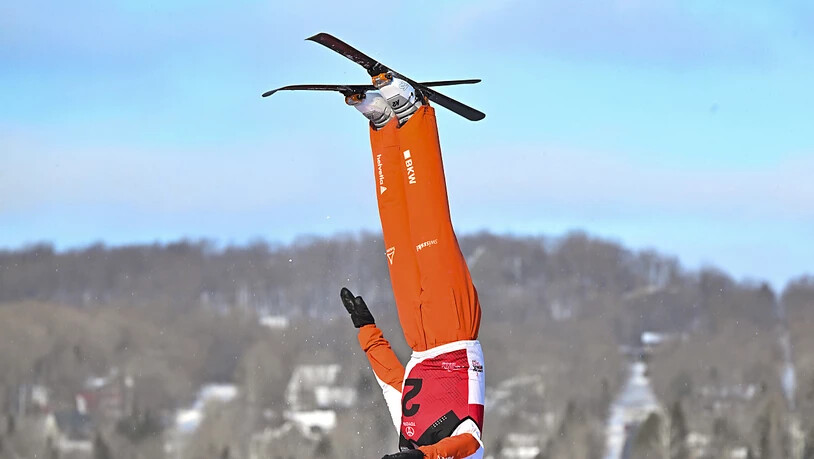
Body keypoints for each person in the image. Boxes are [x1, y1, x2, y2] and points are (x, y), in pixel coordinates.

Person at [340, 73, 485, 459]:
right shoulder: (459, 452)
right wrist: (424, 457)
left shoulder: (406, 437)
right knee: (428, 217)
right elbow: (469, 443)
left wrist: (366, 329)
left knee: (397, 227)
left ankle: (383, 125)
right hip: (454, 331)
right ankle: (414, 114)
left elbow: (391, 381)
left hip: (418, 336)